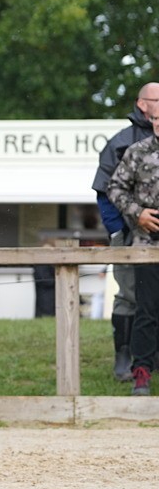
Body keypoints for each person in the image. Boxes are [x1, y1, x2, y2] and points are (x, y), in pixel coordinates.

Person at [92, 82, 158, 380]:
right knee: (129, 296)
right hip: (133, 236)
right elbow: (106, 192)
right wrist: (120, 231)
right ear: (142, 104)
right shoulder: (121, 142)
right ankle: (124, 355)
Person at [108, 112, 159, 397]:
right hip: (147, 246)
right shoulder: (137, 152)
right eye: (156, 118)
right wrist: (137, 214)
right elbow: (114, 188)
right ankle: (141, 373)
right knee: (146, 310)